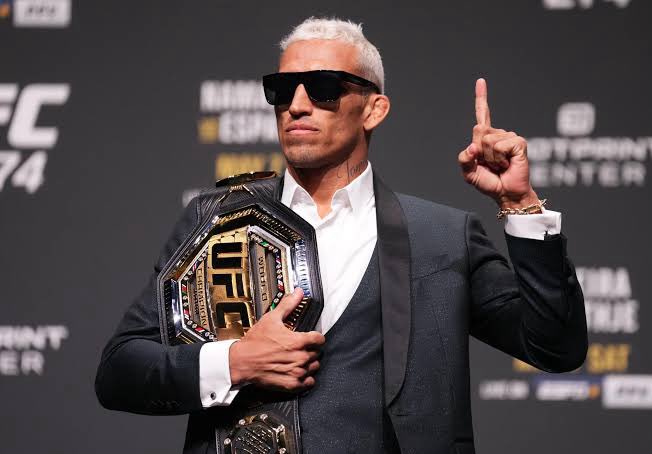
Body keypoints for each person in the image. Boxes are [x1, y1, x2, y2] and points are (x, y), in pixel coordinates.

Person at [95, 17, 587, 454]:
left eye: (323, 88)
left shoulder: (441, 237)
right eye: (282, 89)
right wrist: (234, 362)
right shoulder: (216, 220)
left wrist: (520, 204)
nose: (297, 105)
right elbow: (119, 371)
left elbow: (555, 347)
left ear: (374, 109)